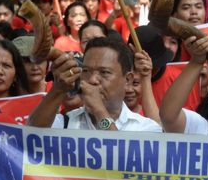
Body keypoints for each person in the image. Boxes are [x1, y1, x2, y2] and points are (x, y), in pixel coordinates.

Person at [28, 37, 161, 132]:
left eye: (104, 72)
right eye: (86, 71)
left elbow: (124, 159)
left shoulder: (146, 129)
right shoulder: (66, 122)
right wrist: (58, 89)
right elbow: (31, 136)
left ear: (127, 80)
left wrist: (99, 111)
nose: (92, 80)